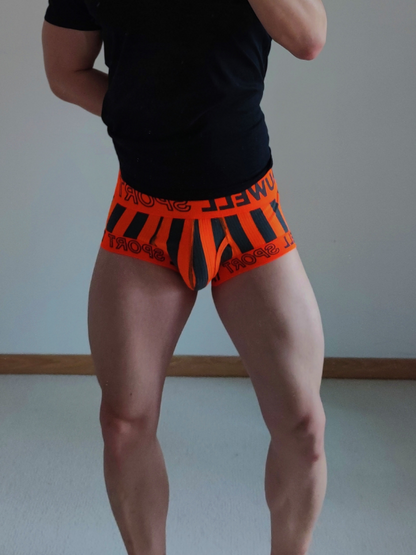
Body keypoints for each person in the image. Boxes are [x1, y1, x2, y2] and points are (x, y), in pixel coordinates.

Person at [42, 0, 328, 553]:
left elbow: (309, 37)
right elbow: (64, 70)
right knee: (123, 425)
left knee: (303, 427)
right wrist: (143, 114)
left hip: (249, 213)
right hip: (144, 213)